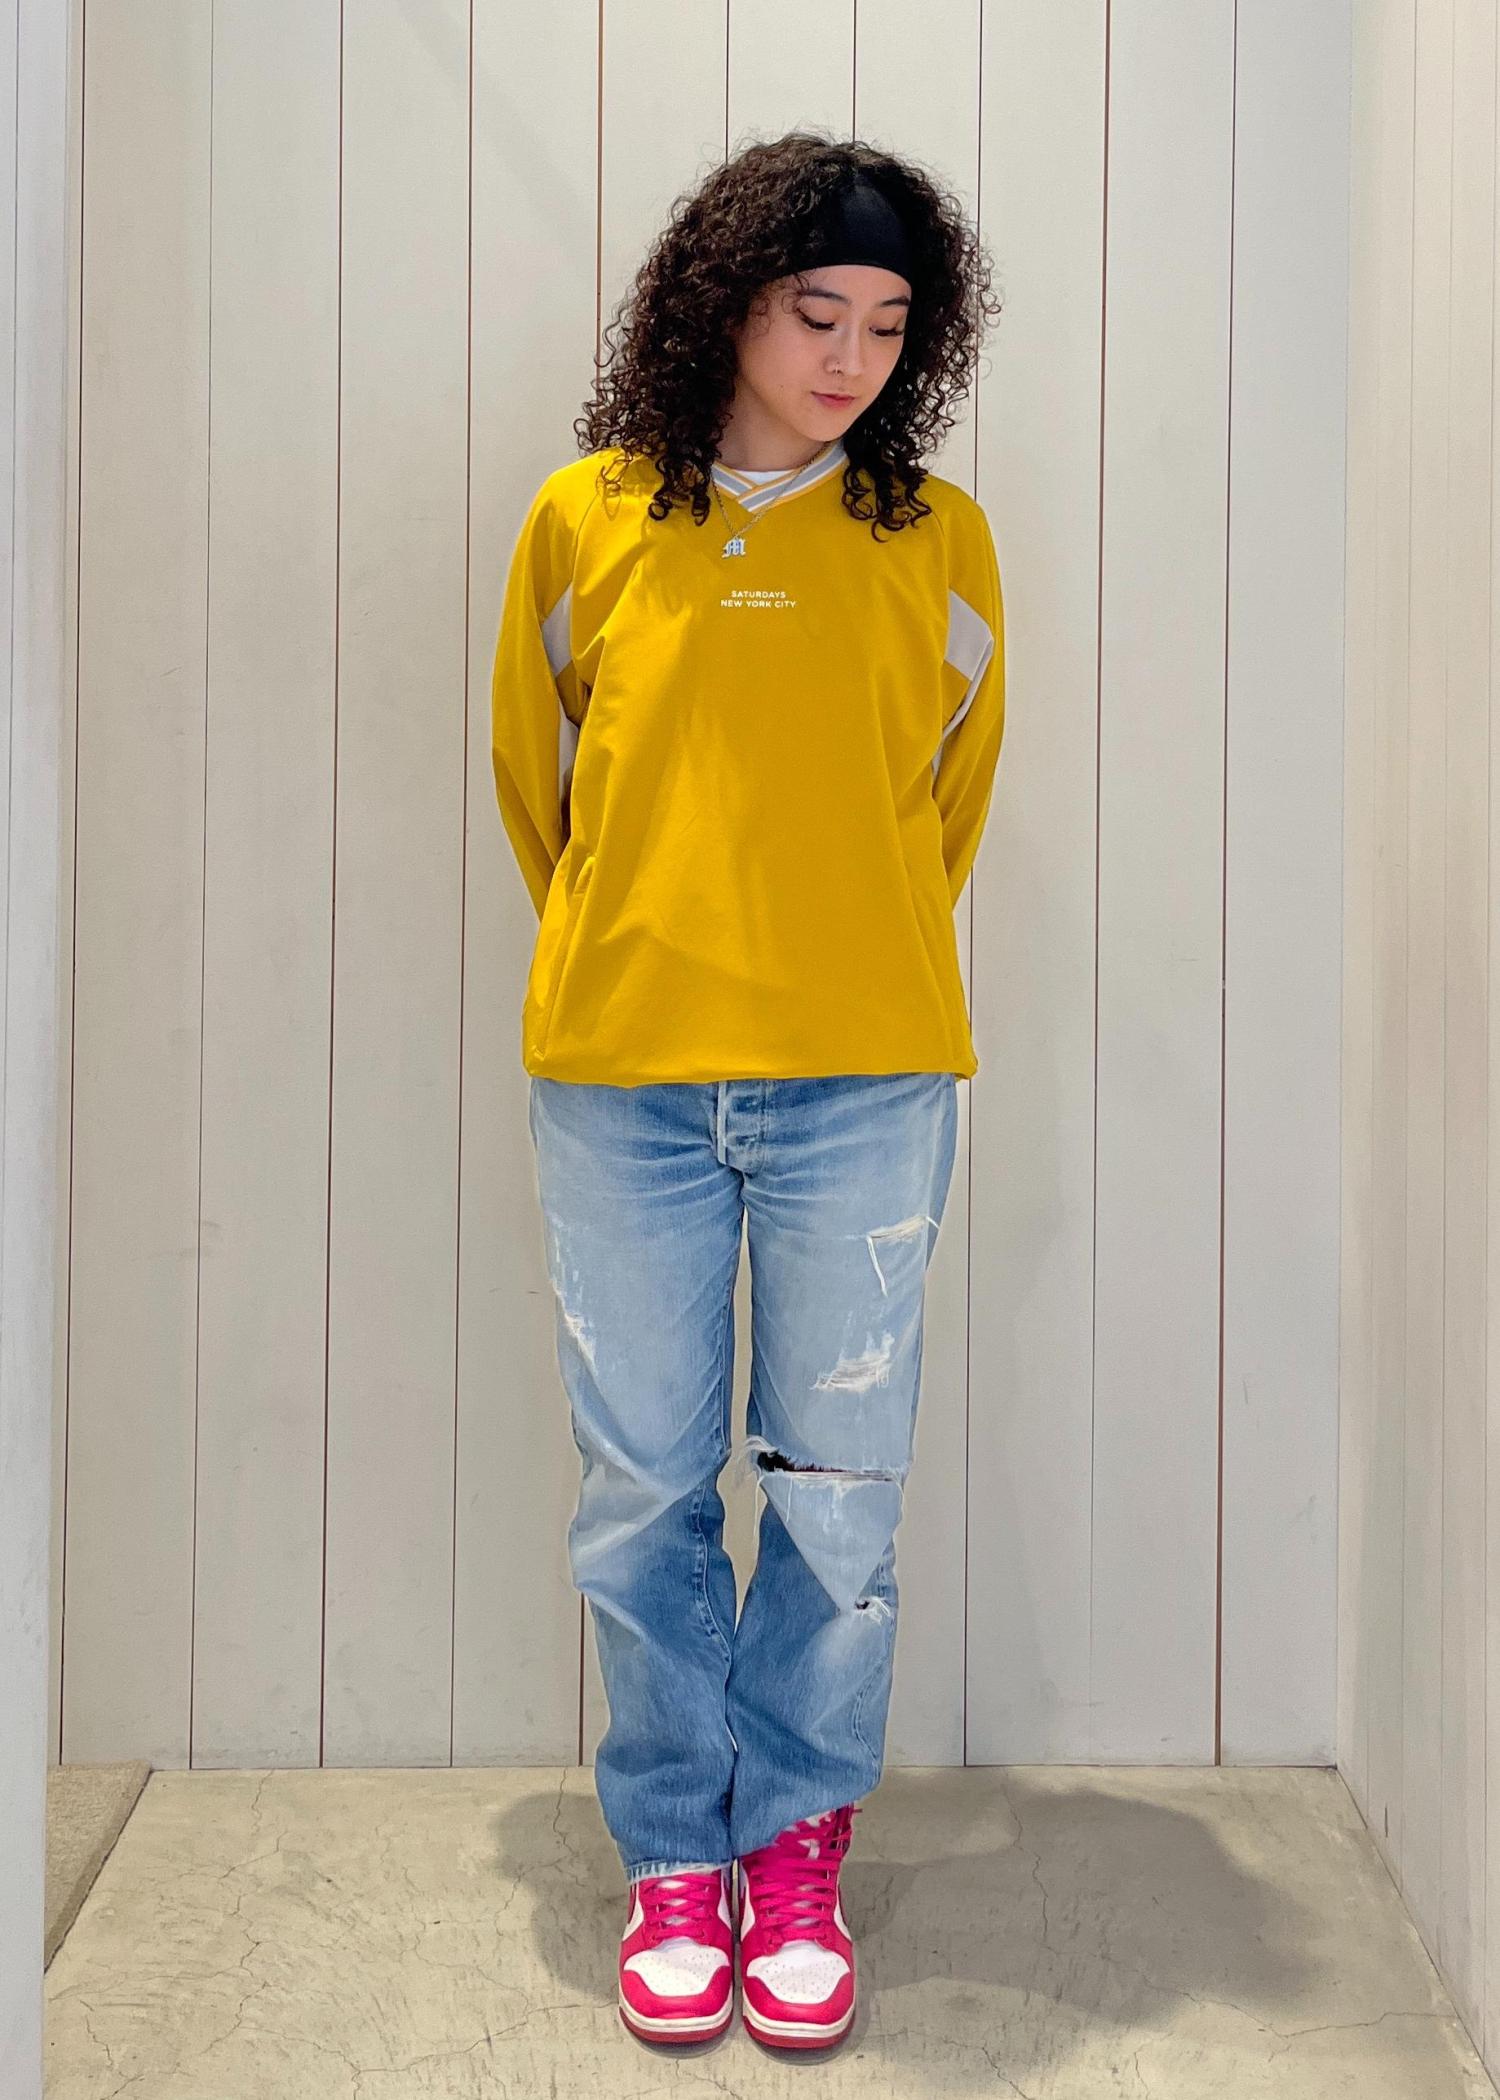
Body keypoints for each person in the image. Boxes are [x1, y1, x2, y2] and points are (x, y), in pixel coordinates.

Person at [490, 132, 1006, 2053]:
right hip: (623, 1079)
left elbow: (944, 805)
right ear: (723, 306)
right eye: (817, 314)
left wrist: (835, 952)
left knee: (838, 1499)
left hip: (865, 1083)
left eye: (889, 324)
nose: (852, 357)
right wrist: (646, 941)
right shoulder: (585, 521)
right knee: (641, 1490)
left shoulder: (934, 541)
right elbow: (540, 785)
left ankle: (793, 1842)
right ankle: (671, 1854)